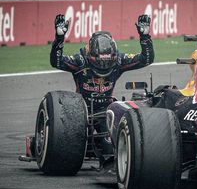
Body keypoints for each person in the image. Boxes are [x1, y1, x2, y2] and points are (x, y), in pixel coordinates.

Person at [50, 13, 154, 161]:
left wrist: (145, 37)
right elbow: (56, 62)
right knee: (71, 147)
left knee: (109, 148)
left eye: (107, 63)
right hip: (79, 110)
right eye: (99, 63)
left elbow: (146, 60)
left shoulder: (119, 60)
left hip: (106, 111)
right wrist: (59, 38)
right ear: (90, 54)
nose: (103, 66)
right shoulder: (80, 61)